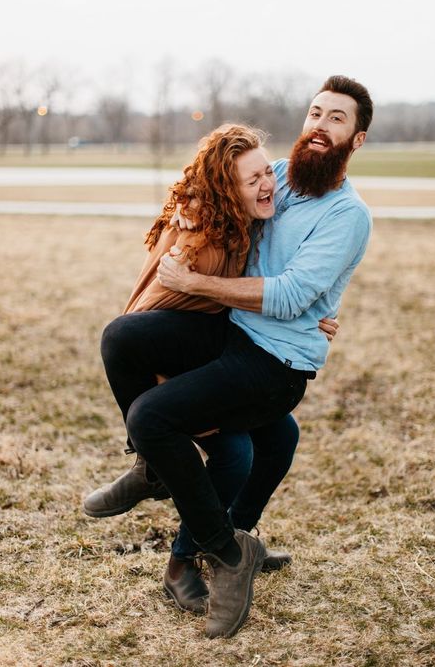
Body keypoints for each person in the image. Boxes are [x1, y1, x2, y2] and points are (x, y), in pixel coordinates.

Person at [95, 75, 373, 638]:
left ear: (357, 140)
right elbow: (229, 194)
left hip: (275, 363)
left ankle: (219, 554)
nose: (320, 126)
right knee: (122, 336)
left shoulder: (348, 216)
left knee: (162, 419)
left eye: (336, 118)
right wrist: (188, 224)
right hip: (235, 334)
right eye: (315, 113)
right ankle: (158, 468)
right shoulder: (287, 184)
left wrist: (199, 281)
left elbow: (293, 292)